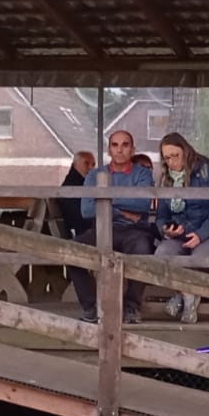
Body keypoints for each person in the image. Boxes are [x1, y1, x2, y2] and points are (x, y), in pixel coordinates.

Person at [68, 131, 155, 324]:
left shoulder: (143, 174)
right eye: (115, 145)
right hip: (101, 229)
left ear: (133, 149)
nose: (120, 149)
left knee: (143, 250)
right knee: (72, 250)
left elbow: (142, 205)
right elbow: (87, 210)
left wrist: (106, 199)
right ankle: (91, 307)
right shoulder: (94, 175)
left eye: (125, 145)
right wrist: (122, 209)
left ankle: (131, 307)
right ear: (109, 150)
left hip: (135, 231)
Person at [154, 132, 209, 324]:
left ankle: (181, 298)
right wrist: (166, 229)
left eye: (175, 156)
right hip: (179, 233)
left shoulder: (207, 170)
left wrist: (201, 235)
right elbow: (161, 215)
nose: (171, 161)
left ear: (185, 151)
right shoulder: (165, 178)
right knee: (162, 255)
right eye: (167, 157)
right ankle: (187, 297)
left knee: (197, 259)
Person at [57, 150, 97, 236]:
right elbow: (79, 215)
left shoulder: (85, 184)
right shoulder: (72, 187)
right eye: (86, 163)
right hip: (81, 231)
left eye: (93, 165)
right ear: (75, 164)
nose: (91, 168)